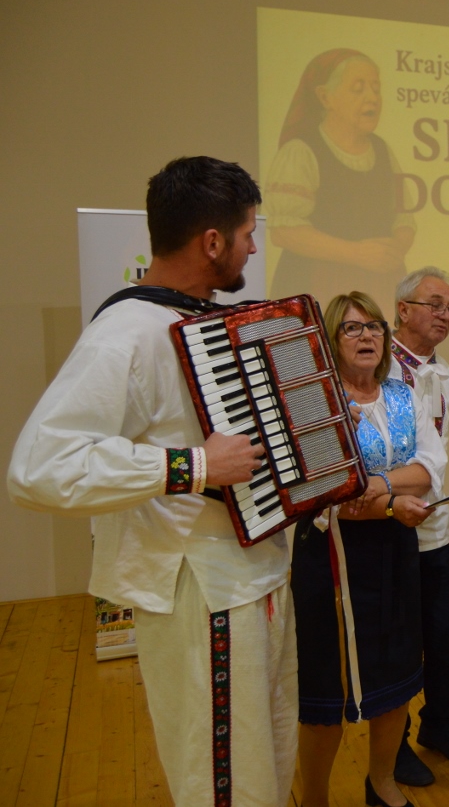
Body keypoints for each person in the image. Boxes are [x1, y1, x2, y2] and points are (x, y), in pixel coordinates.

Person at [8, 157, 297, 805]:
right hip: (202, 590)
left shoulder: (204, 320)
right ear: (212, 241)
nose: (254, 247)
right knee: (224, 783)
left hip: (258, 575)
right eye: (248, 233)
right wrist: (193, 466)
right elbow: (39, 469)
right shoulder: (125, 335)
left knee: (268, 766)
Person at [290, 292, 445, 807]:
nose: (367, 337)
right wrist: (389, 501)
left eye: (374, 327)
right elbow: (326, 495)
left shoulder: (404, 395)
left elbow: (429, 469)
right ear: (330, 340)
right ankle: (314, 798)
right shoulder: (314, 404)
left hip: (394, 553)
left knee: (397, 675)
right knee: (326, 689)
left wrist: (375, 484)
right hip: (330, 558)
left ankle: (381, 782)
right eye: (352, 329)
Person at [389, 267, 449, 782]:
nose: (444, 315)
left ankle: (437, 722)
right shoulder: (380, 370)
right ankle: (391, 746)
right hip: (389, 527)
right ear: (403, 310)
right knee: (398, 643)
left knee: (446, 637)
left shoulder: (447, 374)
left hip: (434, 528)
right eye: (433, 304)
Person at [265, 49, 414, 313]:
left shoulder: (383, 151)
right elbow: (284, 231)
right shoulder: (301, 151)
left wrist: (392, 253)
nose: (372, 97)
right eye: (358, 88)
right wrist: (357, 254)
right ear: (325, 97)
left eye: (376, 88)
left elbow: (404, 218)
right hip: (315, 288)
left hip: (378, 289)